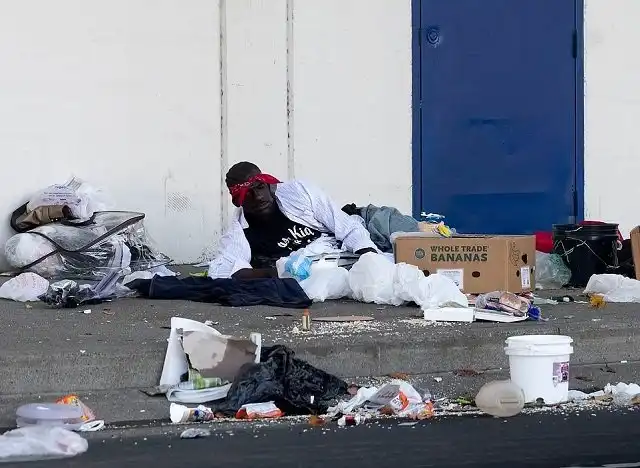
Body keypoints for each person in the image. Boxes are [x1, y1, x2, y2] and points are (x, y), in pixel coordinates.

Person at [208, 162, 378, 279]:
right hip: (325, 269)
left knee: (388, 227)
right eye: (248, 194)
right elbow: (223, 270)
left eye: (260, 187)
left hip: (362, 227)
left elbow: (347, 227)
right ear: (237, 201)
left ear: (269, 185)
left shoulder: (299, 192)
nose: (258, 197)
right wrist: (277, 272)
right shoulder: (239, 234)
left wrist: (370, 258)